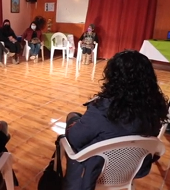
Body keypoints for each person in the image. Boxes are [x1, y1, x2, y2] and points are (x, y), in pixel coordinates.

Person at [63, 50, 169, 190]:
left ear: (113, 76)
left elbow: (75, 139)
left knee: (73, 117)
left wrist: (74, 121)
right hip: (133, 168)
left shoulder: (102, 108)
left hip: (98, 170)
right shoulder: (155, 108)